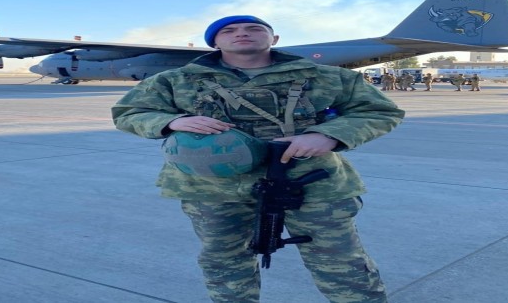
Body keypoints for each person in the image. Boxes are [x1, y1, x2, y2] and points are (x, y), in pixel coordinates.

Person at [112, 15, 405, 303]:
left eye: (254, 28)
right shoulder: (176, 80)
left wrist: (328, 135)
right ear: (214, 43)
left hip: (310, 182)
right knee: (224, 259)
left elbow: (379, 111)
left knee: (339, 261)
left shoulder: (326, 77)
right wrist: (172, 121)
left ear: (274, 39)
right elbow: (129, 112)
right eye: (229, 30)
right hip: (212, 187)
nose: (242, 33)